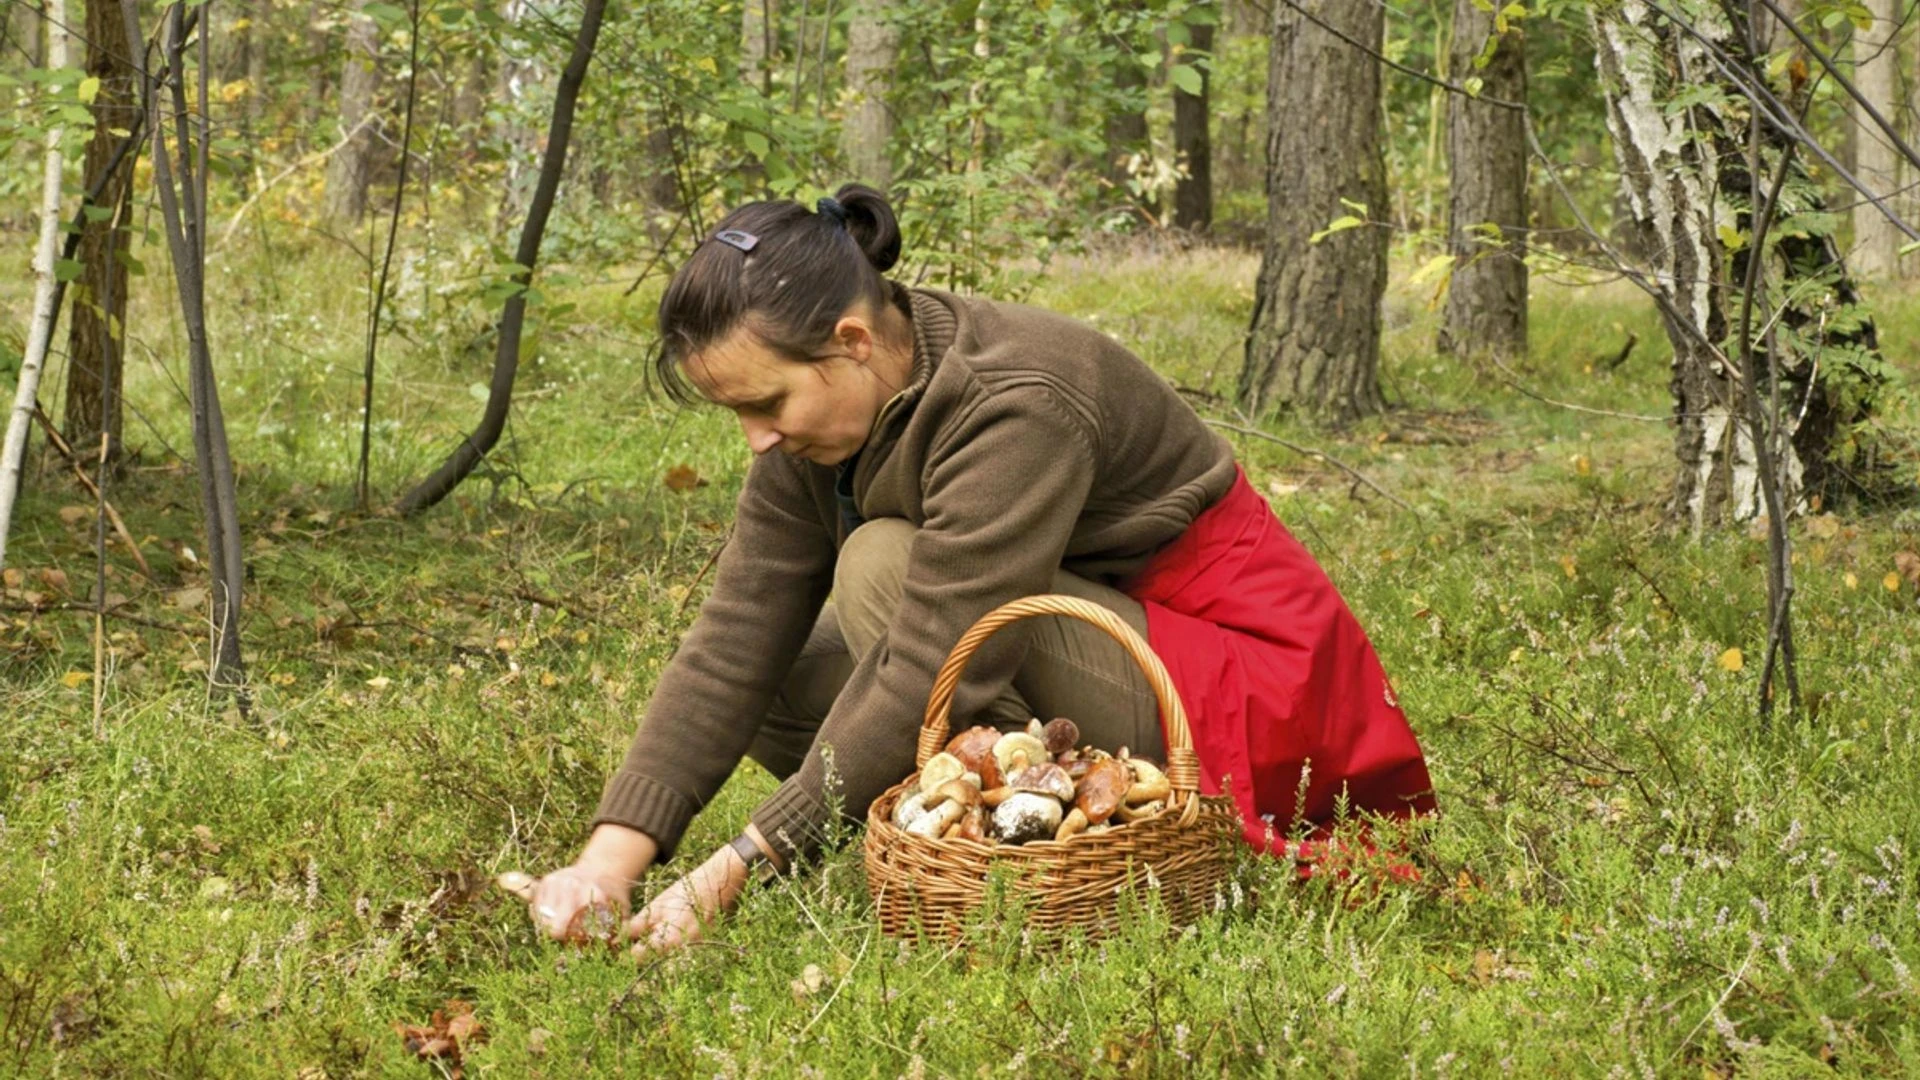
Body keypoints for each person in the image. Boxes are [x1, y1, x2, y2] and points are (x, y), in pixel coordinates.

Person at [517, 184, 1437, 955]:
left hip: (1246, 688)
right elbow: (736, 636)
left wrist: (738, 867)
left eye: (766, 403)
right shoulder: (815, 423)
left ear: (852, 341)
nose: (756, 438)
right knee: (785, 670)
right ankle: (989, 827)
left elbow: (939, 657)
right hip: (1101, 644)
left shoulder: (1015, 399)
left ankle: (1045, 857)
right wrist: (608, 864)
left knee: (880, 567)